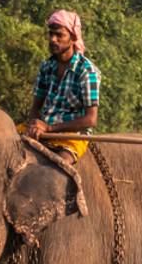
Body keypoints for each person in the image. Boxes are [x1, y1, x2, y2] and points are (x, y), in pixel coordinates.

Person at [24, 10, 100, 163]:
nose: (53, 39)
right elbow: (35, 108)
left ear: (73, 38)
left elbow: (91, 119)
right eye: (51, 34)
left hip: (72, 136)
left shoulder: (86, 71)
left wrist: (49, 128)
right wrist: (34, 125)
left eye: (59, 35)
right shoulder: (47, 66)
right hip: (43, 130)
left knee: (56, 171)